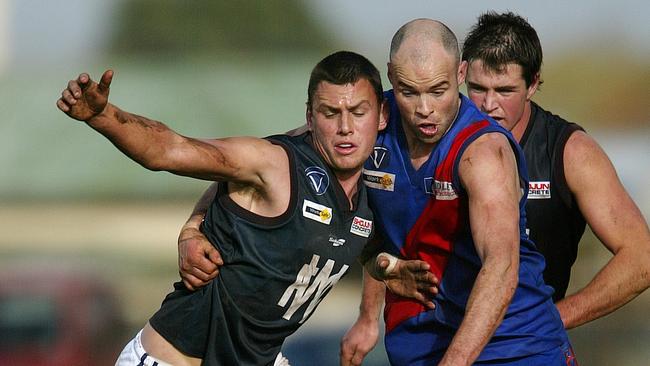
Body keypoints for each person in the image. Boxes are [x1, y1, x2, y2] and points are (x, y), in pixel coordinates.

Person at [178, 19, 576, 365]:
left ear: (460, 74)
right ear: (390, 78)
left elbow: (501, 267)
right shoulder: (366, 122)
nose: (424, 108)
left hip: (514, 345)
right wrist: (194, 229)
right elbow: (257, 164)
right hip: (420, 341)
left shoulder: (483, 153)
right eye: (408, 91)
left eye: (437, 91)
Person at [56, 50, 432, 366]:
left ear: (381, 114)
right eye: (330, 113)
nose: (345, 127)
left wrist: (384, 275)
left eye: (358, 112)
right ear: (310, 116)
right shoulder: (274, 164)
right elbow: (169, 149)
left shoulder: (373, 190)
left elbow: (351, 242)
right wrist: (104, 117)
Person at [461, 11, 650, 329]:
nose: (488, 105)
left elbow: (641, 258)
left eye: (505, 91)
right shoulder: (440, 138)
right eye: (477, 88)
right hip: (444, 341)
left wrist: (549, 321)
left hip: (528, 349)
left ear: (532, 84)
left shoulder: (571, 152)